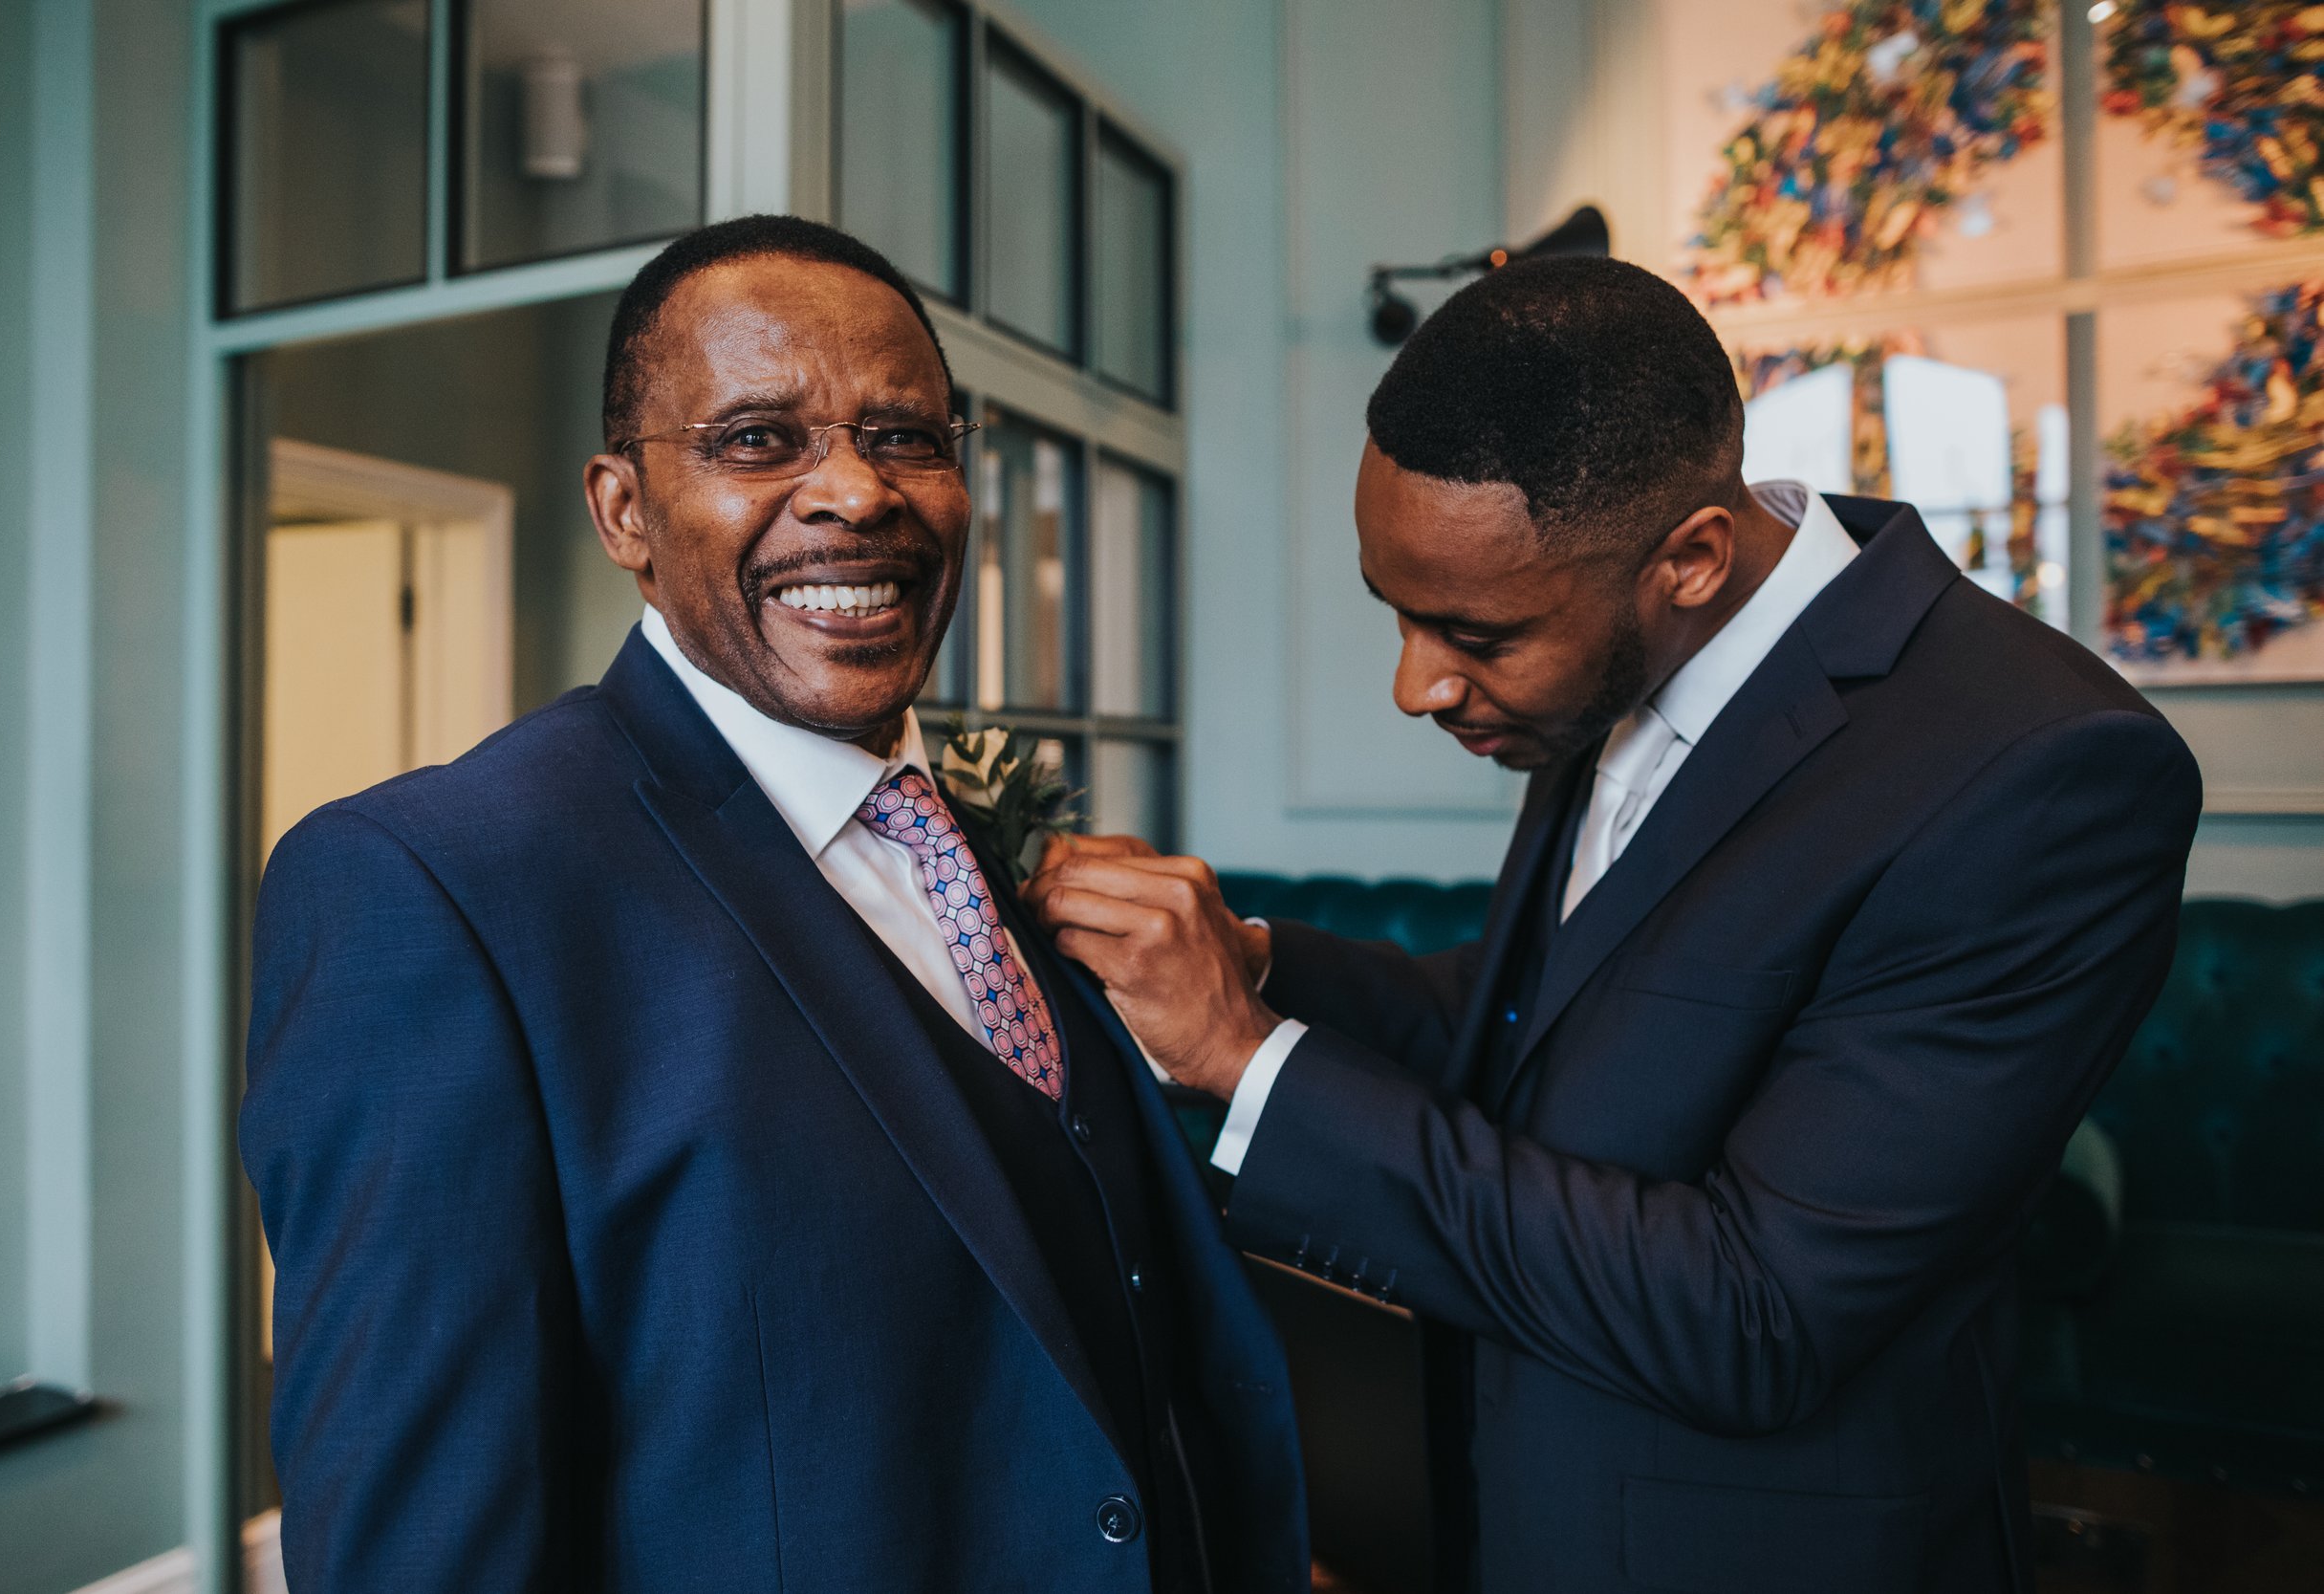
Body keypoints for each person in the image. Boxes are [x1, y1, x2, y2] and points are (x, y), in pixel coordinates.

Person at [1031, 255, 2202, 1593]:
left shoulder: (2039, 769)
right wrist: (1261, 964)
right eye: (1399, 614)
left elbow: (1754, 1315)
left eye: (1475, 632)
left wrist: (1250, 1062)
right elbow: (1556, 1019)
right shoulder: (1617, 659)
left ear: (1691, 560)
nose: (1416, 684)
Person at [240, 215, 1307, 1594]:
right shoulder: (435, 887)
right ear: (624, 510)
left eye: (908, 436)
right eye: (758, 441)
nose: (857, 493)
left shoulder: (969, 837)